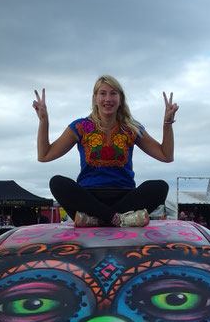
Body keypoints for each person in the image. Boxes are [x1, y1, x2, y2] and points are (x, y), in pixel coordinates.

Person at [33, 75, 178, 227]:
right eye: (103, 93)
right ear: (94, 98)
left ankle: (98, 219)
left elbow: (166, 155)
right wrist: (43, 120)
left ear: (120, 99)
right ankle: (118, 219)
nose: (108, 98)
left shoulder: (131, 128)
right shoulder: (80, 127)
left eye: (113, 93)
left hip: (124, 196)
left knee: (160, 187)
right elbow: (44, 155)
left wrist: (167, 123)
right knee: (57, 183)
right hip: (88, 198)